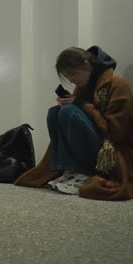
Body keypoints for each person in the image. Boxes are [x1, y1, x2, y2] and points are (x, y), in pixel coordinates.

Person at [15, 46, 133, 200]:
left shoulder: (118, 84)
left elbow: (116, 133)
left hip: (111, 151)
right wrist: (77, 103)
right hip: (95, 146)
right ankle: (69, 171)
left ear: (86, 64)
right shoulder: (83, 87)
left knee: (68, 111)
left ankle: (82, 172)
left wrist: (82, 105)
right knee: (55, 112)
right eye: (67, 76)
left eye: (73, 74)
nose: (71, 80)